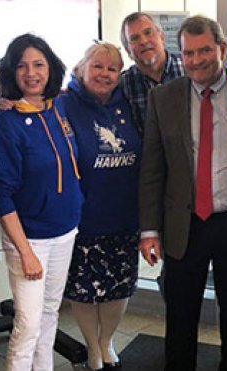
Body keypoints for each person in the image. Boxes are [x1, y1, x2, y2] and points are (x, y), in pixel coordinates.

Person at [121, 12, 227, 370]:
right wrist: (149, 230)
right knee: (180, 317)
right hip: (185, 224)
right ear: (180, 54)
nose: (196, 61)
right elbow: (152, 169)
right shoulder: (164, 98)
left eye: (204, 51)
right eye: (188, 53)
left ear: (222, 49)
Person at [0, 34, 83, 371]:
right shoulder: (6, 123)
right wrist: (26, 252)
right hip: (29, 239)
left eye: (38, 64)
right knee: (27, 325)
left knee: (49, 316)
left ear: (50, 68)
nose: (31, 73)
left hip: (65, 231)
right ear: (11, 73)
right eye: (22, 66)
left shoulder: (61, 107)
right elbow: (1, 194)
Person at [61, 41, 139, 371]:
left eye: (112, 68)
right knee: (83, 290)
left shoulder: (130, 104)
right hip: (82, 219)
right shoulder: (63, 103)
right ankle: (91, 346)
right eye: (98, 66)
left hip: (125, 215)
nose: (105, 74)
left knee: (118, 288)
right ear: (81, 68)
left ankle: (107, 341)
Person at [119, 12, 184, 133]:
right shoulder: (123, 84)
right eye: (135, 38)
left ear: (162, 37)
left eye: (148, 32)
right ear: (128, 50)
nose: (143, 41)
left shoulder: (188, 70)